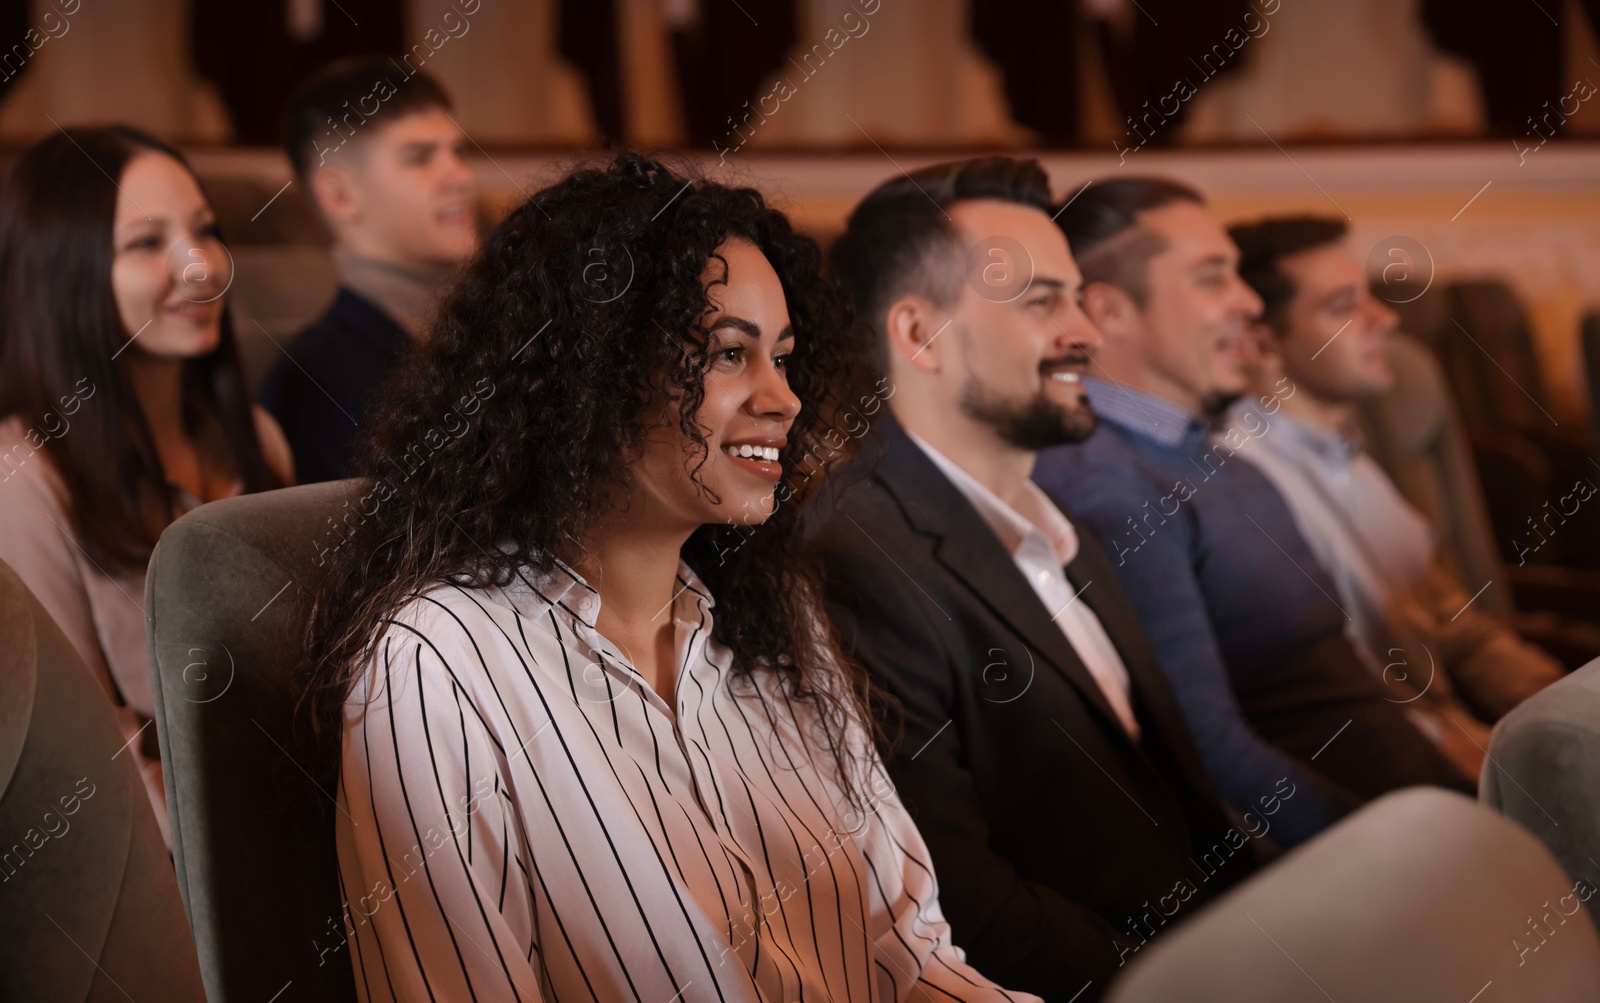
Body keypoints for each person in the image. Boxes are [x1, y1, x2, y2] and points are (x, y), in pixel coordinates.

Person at [299, 154, 1036, 1002]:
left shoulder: (775, 618)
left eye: (785, 358)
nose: (784, 398)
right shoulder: (441, 664)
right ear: (590, 371)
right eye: (729, 355)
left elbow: (911, 961)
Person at [806, 157, 1269, 1002]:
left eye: (1081, 297)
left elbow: (1178, 803)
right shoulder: (854, 557)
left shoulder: (1063, 524)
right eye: (1041, 301)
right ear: (920, 336)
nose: (1086, 332)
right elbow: (966, 905)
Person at [1033, 177, 1473, 853]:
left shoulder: (1204, 452)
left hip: (1433, 811)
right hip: (1377, 862)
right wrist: (1403, 852)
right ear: (1111, 311)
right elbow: (1205, 749)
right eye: (1213, 279)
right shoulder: (1107, 482)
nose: (1246, 302)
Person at [0, 125, 295, 844]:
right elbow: (83, 753)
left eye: (204, 231)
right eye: (145, 243)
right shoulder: (24, 475)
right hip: (160, 856)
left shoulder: (255, 439)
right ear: (61, 273)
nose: (199, 266)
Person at [1225, 215, 1565, 729]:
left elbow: (1458, 628)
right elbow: (1350, 708)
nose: (1384, 319)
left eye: (1368, 297)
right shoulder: (1243, 483)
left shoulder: (1347, 458)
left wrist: (1569, 718)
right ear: (1262, 343)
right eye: (1344, 307)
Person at [259, 56, 480, 483]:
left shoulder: (494, 327)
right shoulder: (316, 380)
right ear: (339, 195)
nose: (460, 177)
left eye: (458, 153)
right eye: (420, 158)